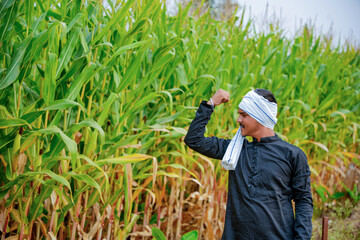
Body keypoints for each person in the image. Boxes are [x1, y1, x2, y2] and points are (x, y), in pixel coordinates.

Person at [184, 88, 313, 239]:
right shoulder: (234, 150)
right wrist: (210, 104)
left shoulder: (292, 155)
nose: (238, 120)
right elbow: (194, 140)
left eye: (243, 115)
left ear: (260, 116)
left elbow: (303, 200)